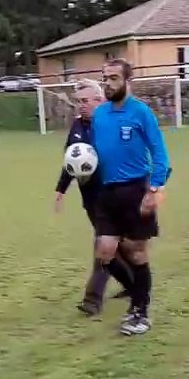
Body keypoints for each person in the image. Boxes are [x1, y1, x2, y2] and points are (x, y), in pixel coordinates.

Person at [90, 58, 172, 336]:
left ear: (128, 81)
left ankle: (141, 311)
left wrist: (155, 188)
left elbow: (159, 152)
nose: (108, 83)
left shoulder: (141, 113)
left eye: (113, 78)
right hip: (106, 191)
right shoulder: (100, 114)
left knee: (136, 252)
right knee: (104, 252)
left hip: (136, 189)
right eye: (105, 77)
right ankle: (137, 293)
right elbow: (95, 152)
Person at [54, 79, 132, 316]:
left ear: (101, 100)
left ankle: (92, 300)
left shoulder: (113, 124)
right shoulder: (77, 126)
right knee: (117, 247)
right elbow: (72, 161)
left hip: (113, 197)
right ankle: (133, 285)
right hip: (91, 200)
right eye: (78, 102)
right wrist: (61, 189)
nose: (81, 106)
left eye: (86, 101)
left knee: (103, 247)